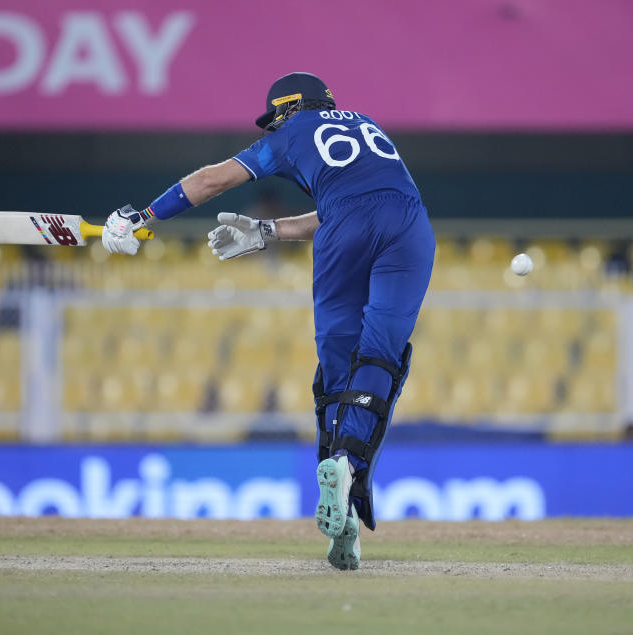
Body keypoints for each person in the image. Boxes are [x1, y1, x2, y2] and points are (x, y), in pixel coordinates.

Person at [101, 72, 436, 569]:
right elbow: (360, 204)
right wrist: (266, 231)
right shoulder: (368, 126)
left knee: (338, 362)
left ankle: (338, 471)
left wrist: (140, 217)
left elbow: (211, 180)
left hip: (346, 228)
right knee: (381, 356)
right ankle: (348, 471)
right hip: (411, 227)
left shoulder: (290, 133)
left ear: (289, 108)